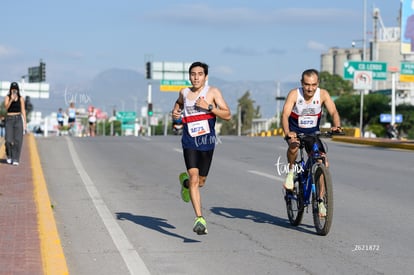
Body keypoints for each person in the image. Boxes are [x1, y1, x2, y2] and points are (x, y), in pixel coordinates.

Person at [172, 61, 231, 235]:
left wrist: (210, 107)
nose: (196, 77)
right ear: (189, 76)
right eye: (193, 74)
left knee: (201, 182)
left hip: (207, 142)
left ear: (205, 76)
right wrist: (175, 113)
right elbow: (177, 105)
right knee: (195, 178)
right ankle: (200, 219)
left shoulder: (212, 92)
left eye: (199, 74)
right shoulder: (184, 92)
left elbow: (227, 114)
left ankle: (185, 183)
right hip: (189, 142)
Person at [281, 69, 341, 216]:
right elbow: (285, 114)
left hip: (312, 134)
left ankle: (320, 200)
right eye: (307, 84)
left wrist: (337, 125)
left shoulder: (323, 94)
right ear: (302, 83)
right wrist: (288, 132)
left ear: (317, 83)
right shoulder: (294, 94)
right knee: (294, 146)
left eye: (313, 85)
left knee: (322, 160)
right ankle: (290, 173)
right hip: (296, 132)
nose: (310, 88)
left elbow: (333, 112)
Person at [4, 82, 26, 165]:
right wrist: (11, 100)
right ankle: (9, 155)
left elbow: (23, 110)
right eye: (12, 89)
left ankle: (16, 158)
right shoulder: (7, 97)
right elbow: (6, 108)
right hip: (9, 119)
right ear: (10, 90)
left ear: (17, 90)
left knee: (18, 140)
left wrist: (25, 123)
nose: (14, 91)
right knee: (8, 140)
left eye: (15, 89)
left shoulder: (21, 98)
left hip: (18, 119)